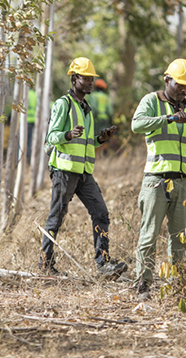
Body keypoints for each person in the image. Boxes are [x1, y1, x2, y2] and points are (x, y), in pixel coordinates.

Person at [40, 57, 126, 280]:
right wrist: (67, 134)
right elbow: (50, 137)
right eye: (86, 78)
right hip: (64, 170)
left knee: (101, 213)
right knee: (56, 217)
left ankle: (104, 264)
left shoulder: (86, 108)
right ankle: (45, 265)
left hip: (84, 172)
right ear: (74, 78)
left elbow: (87, 143)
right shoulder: (63, 104)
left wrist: (101, 138)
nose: (90, 82)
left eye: (92, 78)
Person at [130, 58, 186, 300]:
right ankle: (142, 286)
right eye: (180, 84)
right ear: (167, 80)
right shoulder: (152, 101)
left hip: (183, 181)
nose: (184, 89)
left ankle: (175, 286)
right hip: (156, 181)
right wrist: (168, 119)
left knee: (180, 238)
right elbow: (137, 125)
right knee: (149, 236)